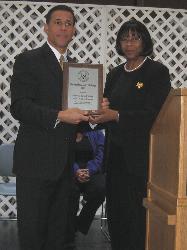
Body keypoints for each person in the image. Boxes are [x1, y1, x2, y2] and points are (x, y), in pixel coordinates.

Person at [10, 5, 90, 250]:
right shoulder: (28, 60)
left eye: (69, 23)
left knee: (59, 235)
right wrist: (59, 116)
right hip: (35, 163)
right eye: (58, 22)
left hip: (66, 166)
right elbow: (20, 107)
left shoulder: (77, 68)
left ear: (74, 30)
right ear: (46, 27)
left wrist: (94, 111)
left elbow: (79, 117)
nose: (63, 27)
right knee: (33, 234)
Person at [89, 18, 171, 250]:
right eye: (124, 39)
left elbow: (155, 114)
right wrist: (97, 113)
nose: (129, 43)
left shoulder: (156, 71)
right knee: (117, 214)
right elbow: (105, 107)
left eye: (135, 38)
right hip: (115, 158)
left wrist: (116, 116)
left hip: (142, 159)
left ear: (144, 41)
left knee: (138, 216)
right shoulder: (115, 74)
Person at [66, 129, 105, 245]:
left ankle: (80, 223)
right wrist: (76, 171)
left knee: (101, 188)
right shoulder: (67, 131)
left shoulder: (97, 132)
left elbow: (102, 153)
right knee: (70, 191)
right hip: (72, 172)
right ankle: (68, 234)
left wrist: (90, 169)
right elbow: (65, 154)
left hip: (92, 171)